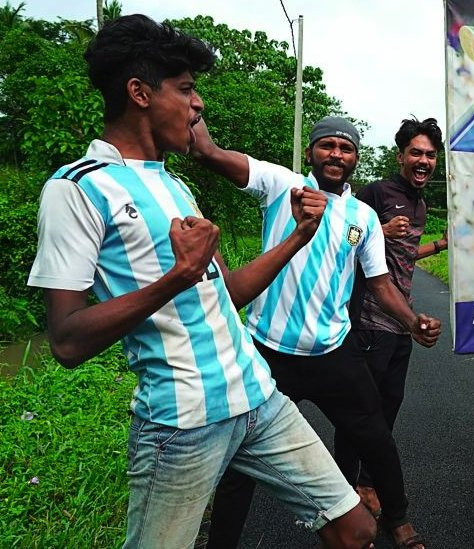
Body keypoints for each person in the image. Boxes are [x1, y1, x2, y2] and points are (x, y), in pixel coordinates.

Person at [26, 14, 375, 549]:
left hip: (258, 397)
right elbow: (67, 340)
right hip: (181, 421)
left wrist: (296, 239)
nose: (198, 105)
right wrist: (178, 275)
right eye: (186, 89)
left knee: (354, 529)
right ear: (139, 93)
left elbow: (221, 297)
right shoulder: (77, 189)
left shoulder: (173, 183)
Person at [191, 115, 440, 549]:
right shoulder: (280, 184)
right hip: (267, 352)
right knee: (238, 465)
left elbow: (380, 284)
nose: (336, 155)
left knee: (375, 436)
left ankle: (398, 520)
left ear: (355, 160)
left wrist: (411, 322)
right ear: (311, 151)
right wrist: (193, 112)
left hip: (332, 351)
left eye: (345, 150)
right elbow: (212, 155)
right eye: (327, 146)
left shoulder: (361, 216)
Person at [335, 117, 449, 517]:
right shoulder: (375, 193)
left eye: (430, 155)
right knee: (359, 411)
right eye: (415, 153)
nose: (423, 160)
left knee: (389, 405)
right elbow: (345, 240)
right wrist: (379, 228)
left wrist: (439, 244)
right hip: (367, 321)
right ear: (400, 156)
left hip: (400, 319)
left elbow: (404, 255)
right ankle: (344, 492)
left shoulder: (420, 202)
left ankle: (367, 483)